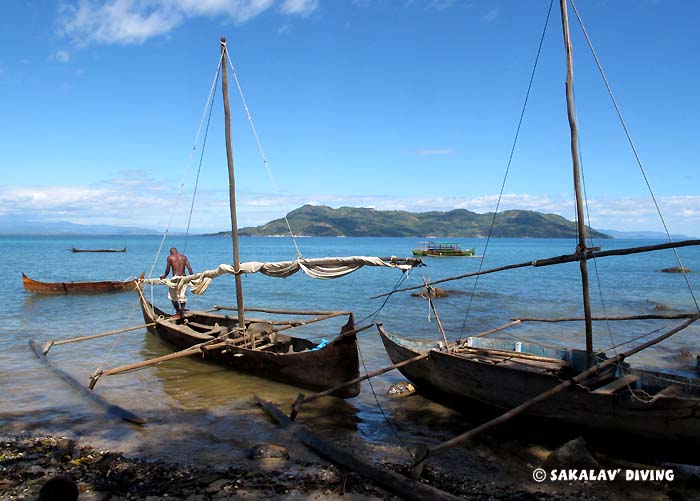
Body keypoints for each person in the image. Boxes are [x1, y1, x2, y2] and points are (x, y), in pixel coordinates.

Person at [160, 247, 193, 318]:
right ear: (177, 251)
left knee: (173, 297)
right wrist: (191, 278)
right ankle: (182, 312)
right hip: (184, 278)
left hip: (175, 279)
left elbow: (167, 270)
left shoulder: (170, 257)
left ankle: (178, 312)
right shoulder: (184, 257)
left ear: (171, 252)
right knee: (182, 296)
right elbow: (189, 268)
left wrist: (164, 276)